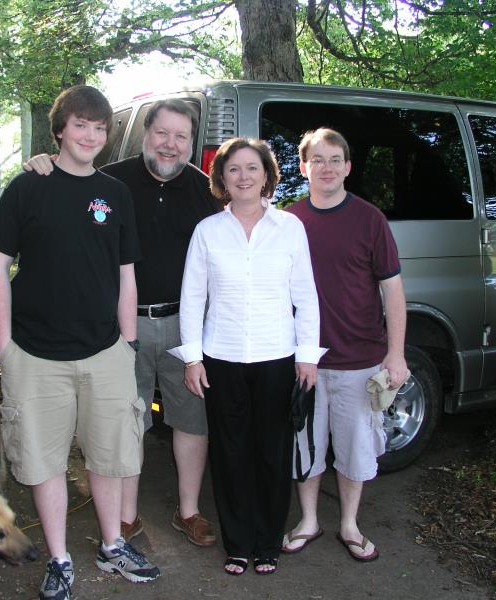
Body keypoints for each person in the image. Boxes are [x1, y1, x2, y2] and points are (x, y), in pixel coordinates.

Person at [0, 85, 159, 600]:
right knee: (43, 462)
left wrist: (128, 343)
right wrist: (5, 345)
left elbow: (128, 274)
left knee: (110, 456)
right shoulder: (27, 186)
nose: (91, 135)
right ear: (60, 130)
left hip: (106, 351)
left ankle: (112, 546)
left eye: (100, 128)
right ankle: (59, 559)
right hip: (35, 355)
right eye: (80, 125)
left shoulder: (116, 194)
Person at [24, 99, 222, 547]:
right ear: (144, 134)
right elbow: (66, 205)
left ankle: (188, 511)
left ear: (192, 143)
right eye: (162, 133)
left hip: (185, 328)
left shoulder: (206, 190)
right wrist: (42, 165)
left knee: (192, 420)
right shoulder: (110, 182)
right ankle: (127, 518)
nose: (170, 145)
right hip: (120, 327)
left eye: (182, 136)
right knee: (127, 422)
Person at [169, 137, 325, 576]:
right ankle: (238, 544)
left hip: (279, 356)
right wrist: (193, 359)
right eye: (234, 169)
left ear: (266, 176)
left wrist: (308, 356)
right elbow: (193, 296)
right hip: (222, 357)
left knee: (272, 453)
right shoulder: (208, 231)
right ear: (222, 178)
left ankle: (267, 543)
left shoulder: (290, 228)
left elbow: (306, 296)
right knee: (232, 453)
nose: (243, 177)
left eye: (251, 168)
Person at [281, 128, 408, 562]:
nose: (327, 167)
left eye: (335, 159)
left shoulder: (371, 219)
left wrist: (396, 353)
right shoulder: (288, 221)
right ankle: (310, 520)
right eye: (318, 160)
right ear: (304, 167)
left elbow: (393, 293)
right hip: (304, 362)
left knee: (356, 449)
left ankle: (350, 524)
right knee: (306, 445)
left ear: (348, 167)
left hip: (360, 359)